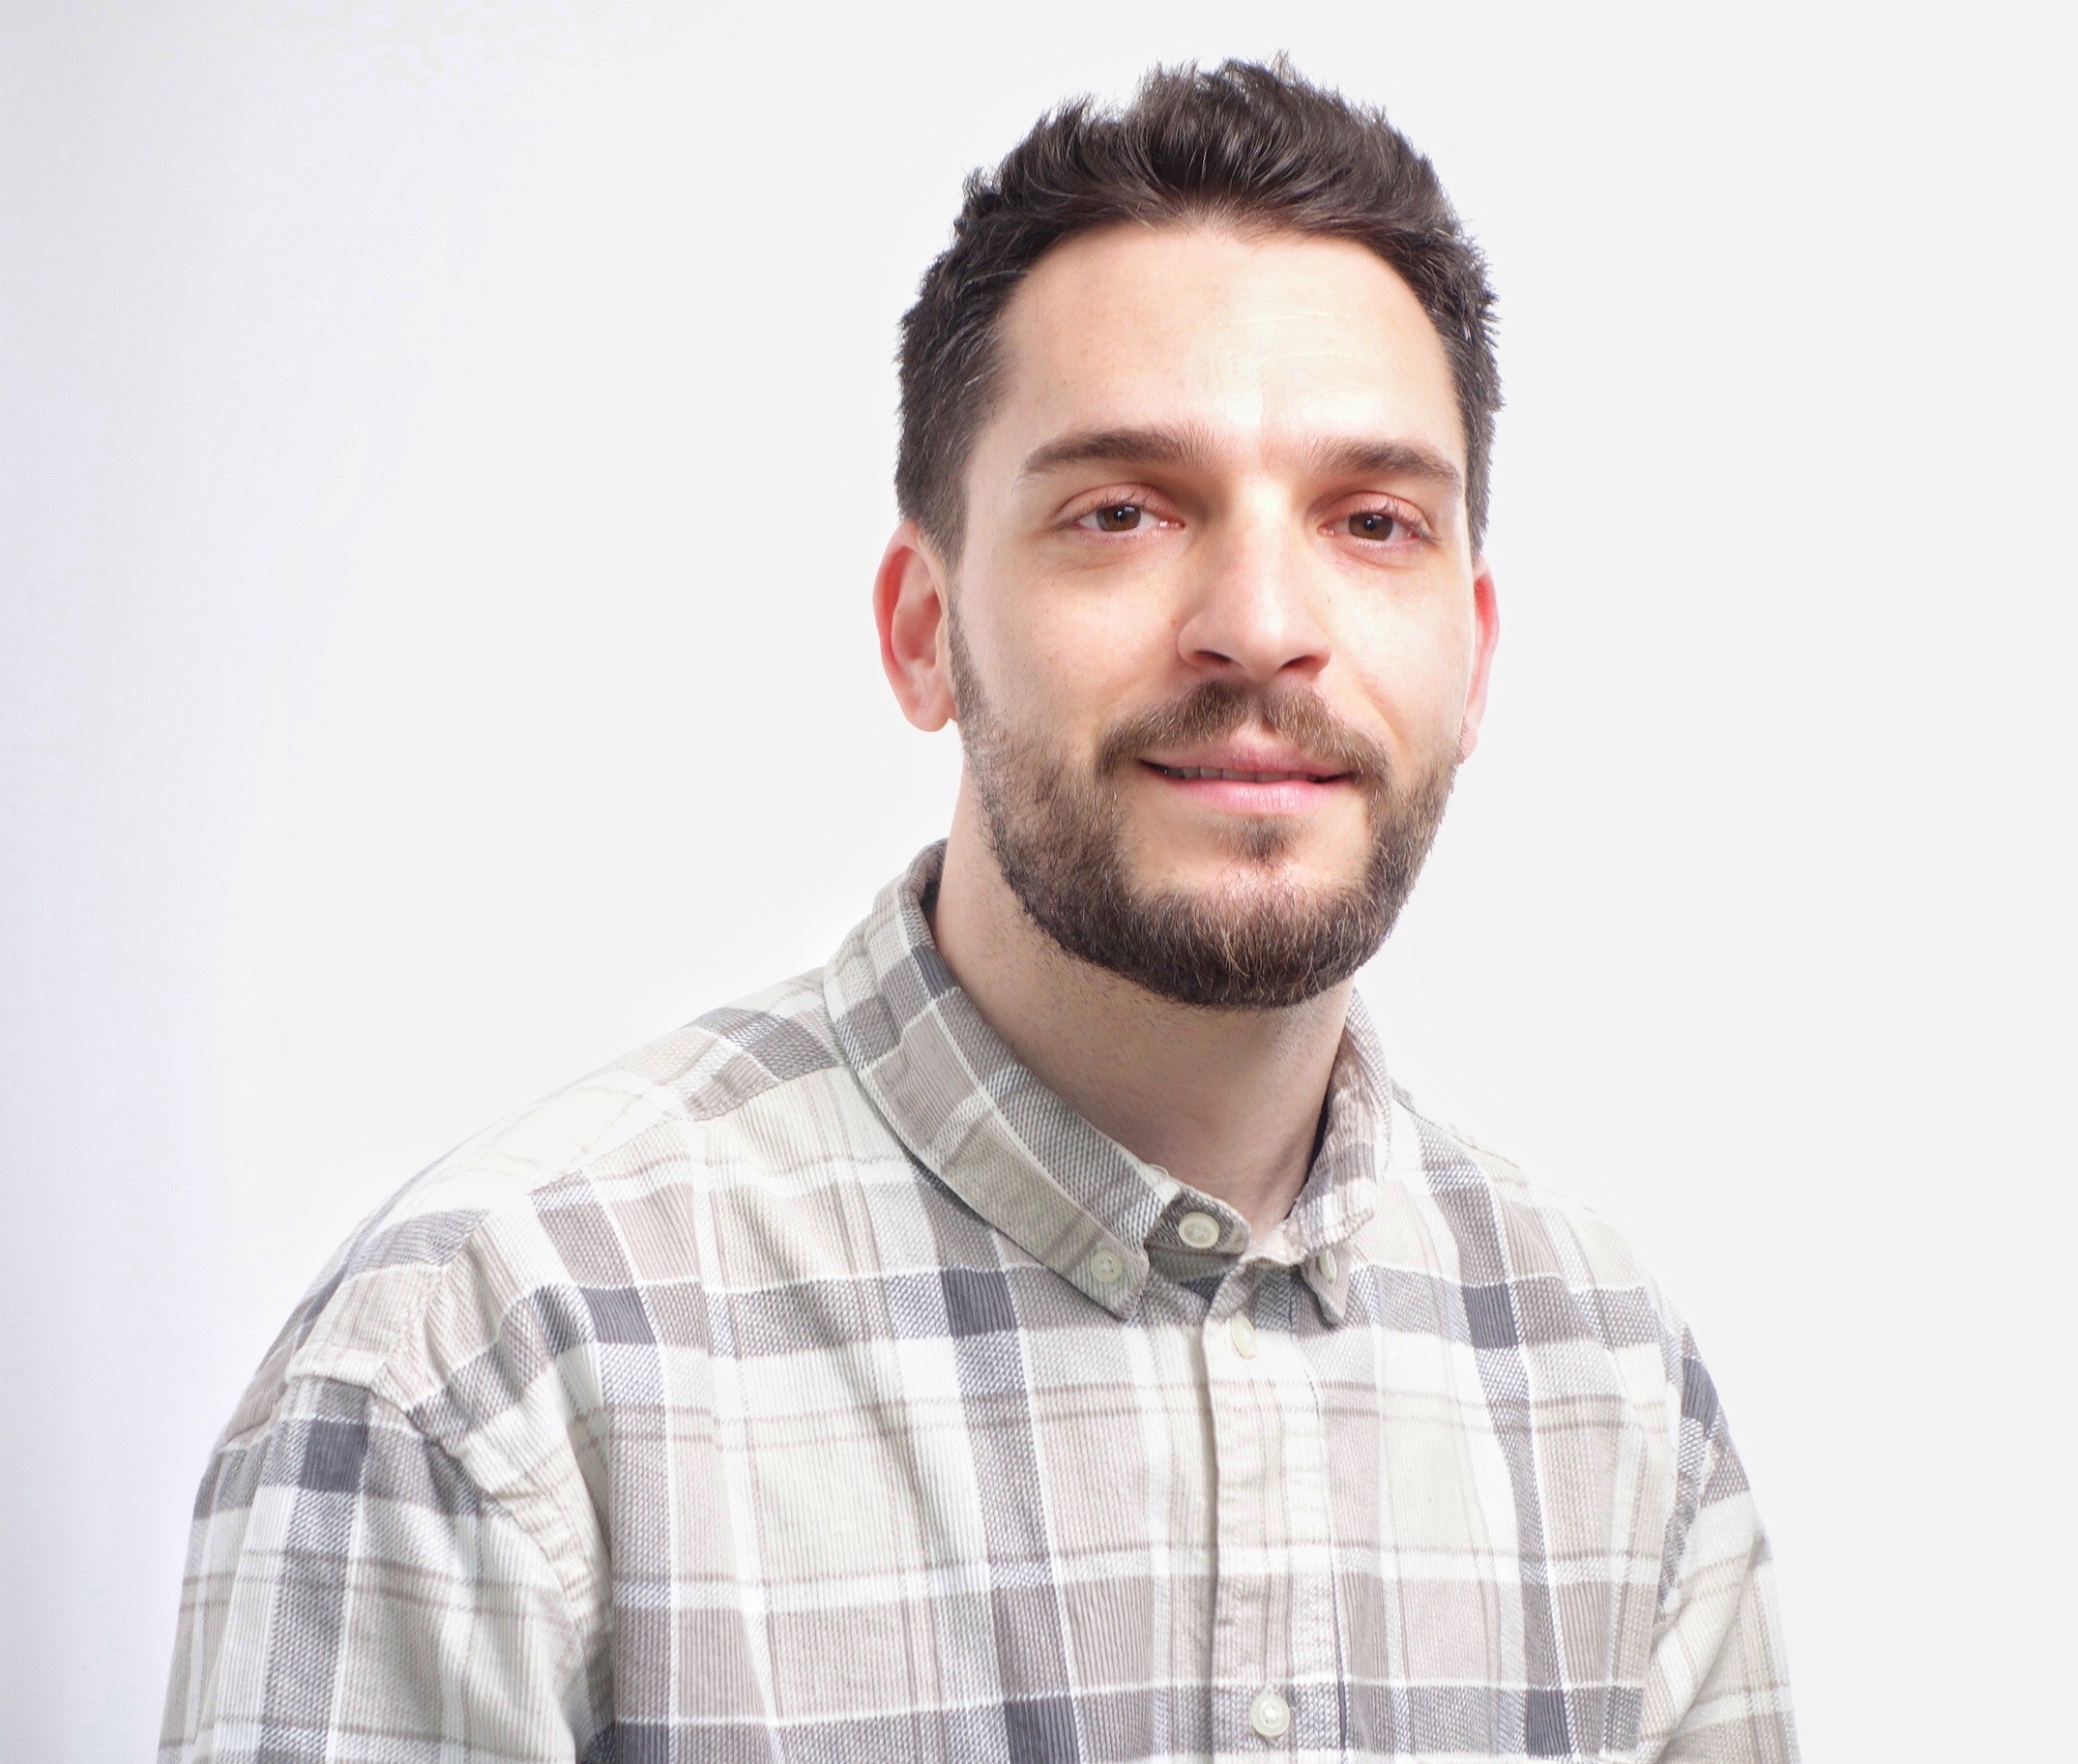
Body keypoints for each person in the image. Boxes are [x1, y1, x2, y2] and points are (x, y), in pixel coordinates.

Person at [161, 59, 1797, 1764]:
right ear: (920, 629)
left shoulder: (1611, 1393)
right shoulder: (488, 1374)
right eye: (1121, 511)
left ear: (1472, 654)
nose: (1259, 623)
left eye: (1371, 522)